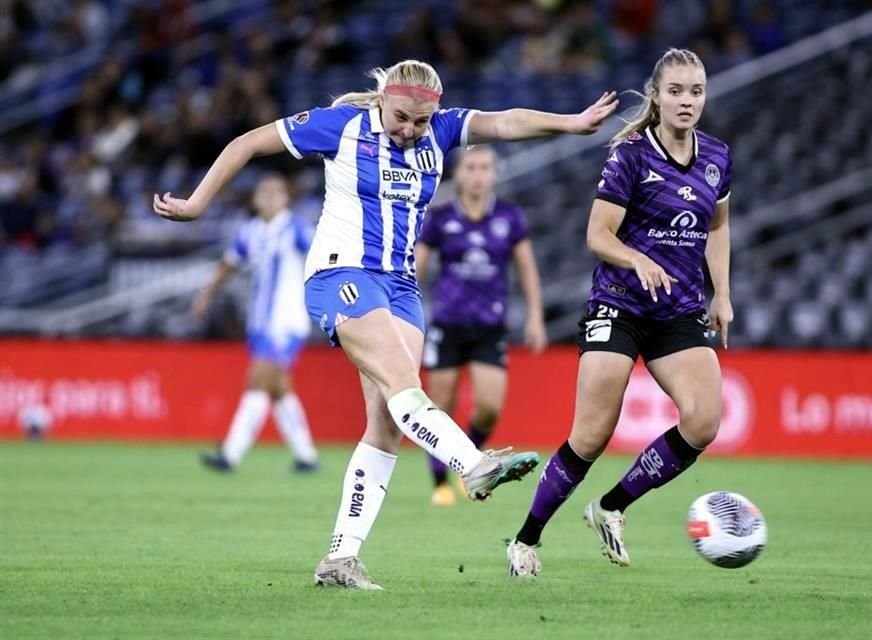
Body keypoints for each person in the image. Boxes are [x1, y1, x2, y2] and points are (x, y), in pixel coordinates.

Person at [153, 59, 618, 590]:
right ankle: (471, 462)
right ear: (381, 102)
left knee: (388, 423)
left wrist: (570, 122)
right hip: (342, 275)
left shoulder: (439, 130)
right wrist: (196, 203)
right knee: (404, 382)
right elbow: (248, 143)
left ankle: (339, 559)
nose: (409, 130)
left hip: (400, 288)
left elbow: (504, 122)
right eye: (401, 118)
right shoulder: (342, 126)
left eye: (420, 123)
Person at [505, 48, 734, 578]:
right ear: (656, 95)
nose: (686, 101)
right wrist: (639, 259)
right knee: (590, 435)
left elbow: (717, 227)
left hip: (677, 308)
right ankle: (526, 539)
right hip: (620, 303)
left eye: (695, 91)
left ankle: (611, 507)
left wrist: (721, 292)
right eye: (675, 91)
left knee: (703, 422)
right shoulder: (630, 153)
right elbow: (597, 236)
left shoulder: (718, 156)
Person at [415, 145, 547, 507]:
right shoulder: (440, 218)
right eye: (470, 167)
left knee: (489, 407)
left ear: (494, 173)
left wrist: (535, 314)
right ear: (458, 174)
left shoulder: (509, 217)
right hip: (447, 323)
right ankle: (439, 482)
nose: (477, 174)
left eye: (484, 167)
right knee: (440, 406)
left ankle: (469, 462)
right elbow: (416, 270)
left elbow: (526, 269)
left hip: (489, 325)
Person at [192, 173, 319, 473]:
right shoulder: (250, 231)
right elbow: (229, 264)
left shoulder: (296, 229)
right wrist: (207, 295)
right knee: (278, 389)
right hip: (259, 323)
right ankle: (306, 457)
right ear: (255, 199)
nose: (270, 197)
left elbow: (322, 257)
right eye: (264, 192)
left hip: (287, 322)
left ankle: (230, 454)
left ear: (286, 198)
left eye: (276, 192)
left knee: (258, 380)